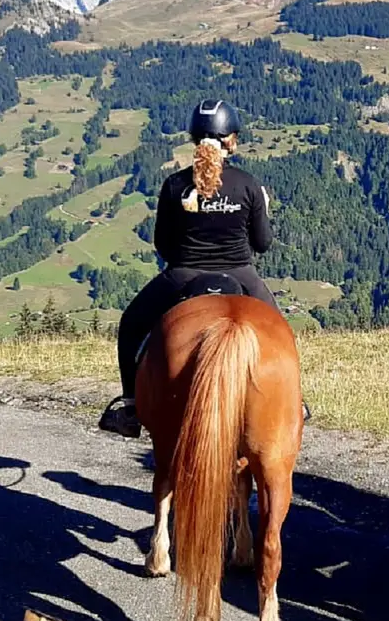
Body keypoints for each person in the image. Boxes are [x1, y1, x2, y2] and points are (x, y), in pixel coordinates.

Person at [101, 99, 278, 436]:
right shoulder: (249, 184)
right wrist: (262, 209)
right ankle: (292, 401)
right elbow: (262, 244)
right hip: (242, 274)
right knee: (280, 330)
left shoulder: (174, 186)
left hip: (182, 274)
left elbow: (163, 246)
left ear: (194, 138)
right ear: (231, 140)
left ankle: (131, 406)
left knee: (131, 325)